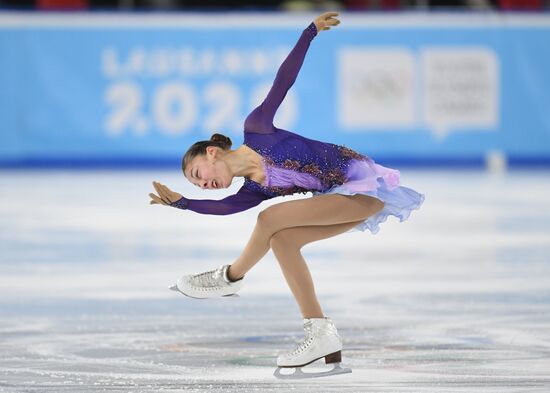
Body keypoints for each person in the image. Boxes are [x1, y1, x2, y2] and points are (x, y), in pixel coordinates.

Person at [149, 12, 425, 378]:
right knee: (283, 241)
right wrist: (182, 203)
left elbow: (284, 80)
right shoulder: (254, 190)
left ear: (212, 153)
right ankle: (320, 333)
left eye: (200, 175)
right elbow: (224, 209)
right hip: (342, 201)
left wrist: (309, 33)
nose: (204, 184)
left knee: (269, 221)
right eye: (197, 185)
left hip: (363, 185)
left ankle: (229, 278)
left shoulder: (258, 130)